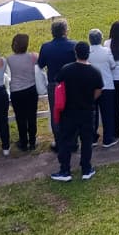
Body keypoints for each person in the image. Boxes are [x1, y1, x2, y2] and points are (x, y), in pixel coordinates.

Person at [52, 42, 102, 182]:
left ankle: (65, 170)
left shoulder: (66, 69)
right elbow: (99, 89)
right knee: (86, 141)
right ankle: (86, 169)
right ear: (88, 53)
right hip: (86, 111)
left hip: (69, 111)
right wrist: (89, 99)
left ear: (76, 53)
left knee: (66, 140)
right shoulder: (94, 72)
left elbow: (58, 83)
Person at [37, 19, 77, 148]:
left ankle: (59, 142)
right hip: (71, 84)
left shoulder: (46, 47)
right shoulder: (74, 45)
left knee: (56, 114)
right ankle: (73, 141)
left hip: (54, 84)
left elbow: (41, 65)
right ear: (65, 31)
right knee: (72, 112)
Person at [5, 34, 39, 152]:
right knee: (31, 116)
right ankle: (33, 141)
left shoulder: (10, 59)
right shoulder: (33, 56)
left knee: (20, 118)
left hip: (16, 91)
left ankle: (23, 142)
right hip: (30, 89)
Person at [87, 29, 118, 147]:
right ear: (101, 39)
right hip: (107, 86)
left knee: (92, 114)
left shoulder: (87, 52)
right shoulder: (106, 51)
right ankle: (108, 138)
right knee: (107, 114)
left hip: (91, 88)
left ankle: (93, 138)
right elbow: (113, 65)